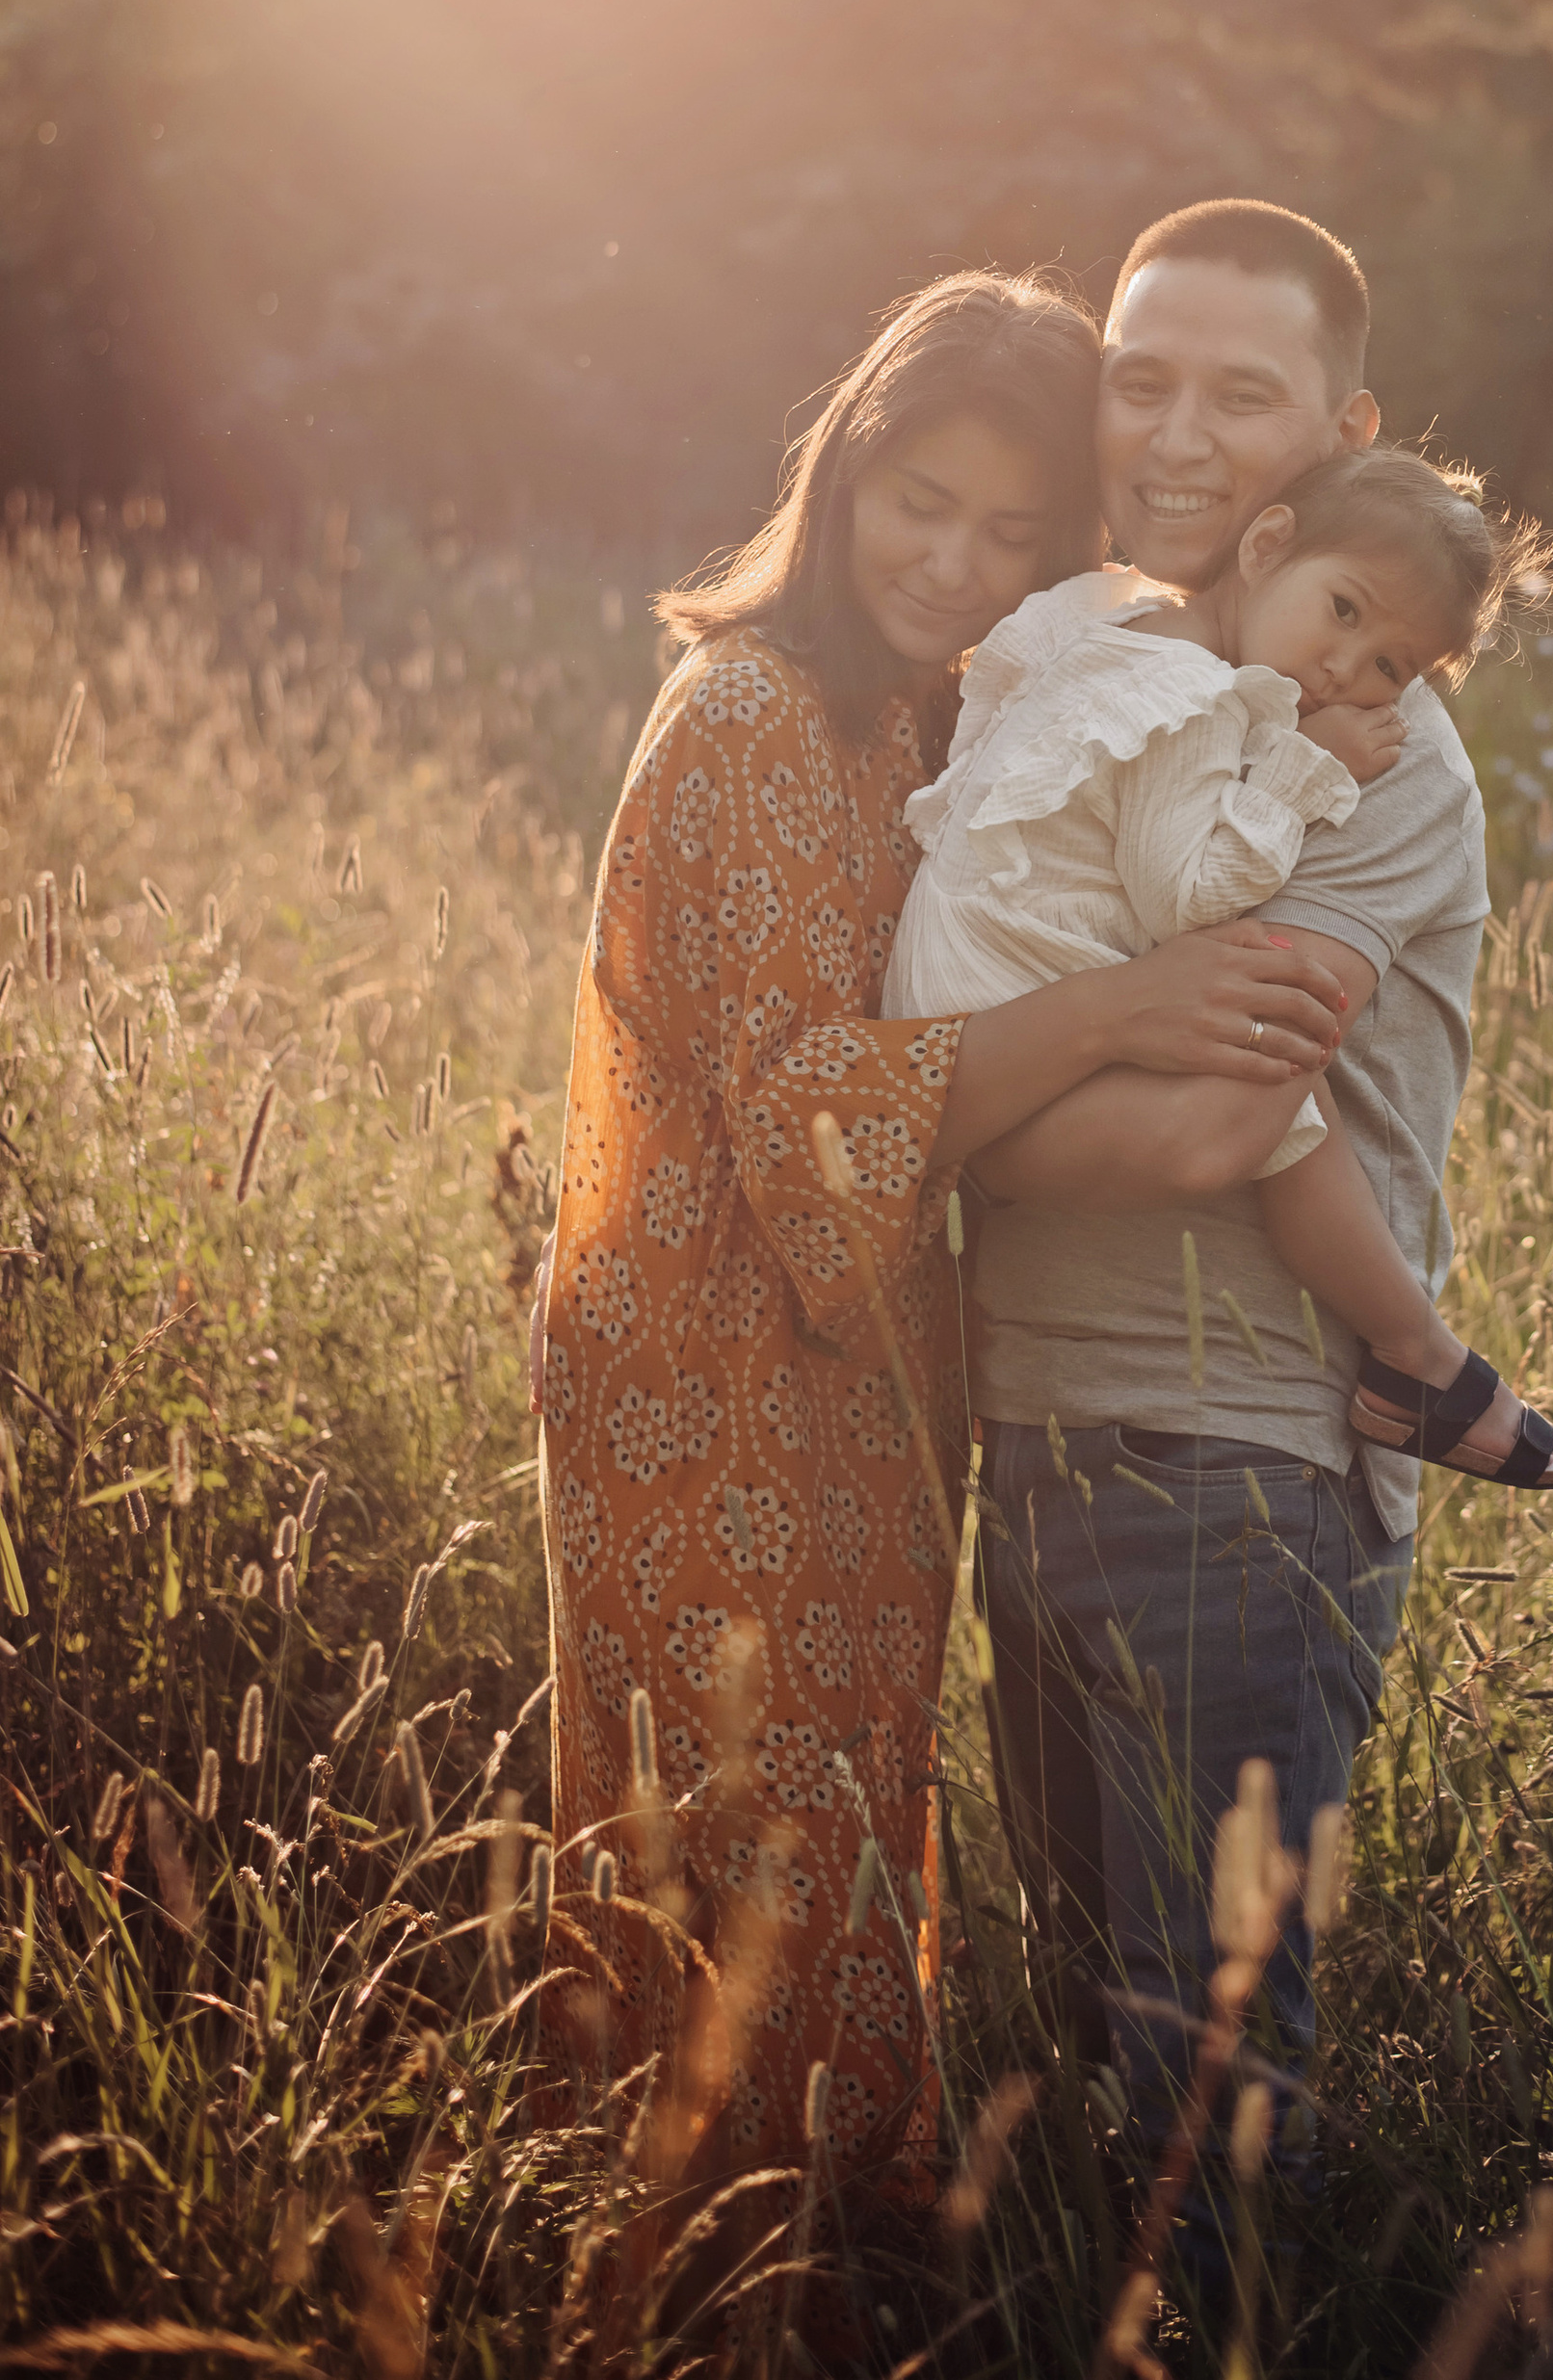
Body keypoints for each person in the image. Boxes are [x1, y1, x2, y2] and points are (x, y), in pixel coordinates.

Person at [532, 271, 1352, 2240]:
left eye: (1012, 536)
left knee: (838, 1813)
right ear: (843, 471)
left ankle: (825, 2243)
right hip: (707, 1371)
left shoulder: (918, 707)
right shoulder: (746, 712)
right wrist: (1123, 1010)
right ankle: (717, 2262)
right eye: (920, 502)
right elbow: (808, 1112)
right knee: (732, 1834)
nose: (955, 562)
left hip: (856, 1359)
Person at [956, 201, 1511, 2304]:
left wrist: (928, 1089)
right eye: (1138, 375)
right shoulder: (1104, 685)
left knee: (1200, 2088)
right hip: (1036, 1429)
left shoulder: (1362, 752)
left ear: (1334, 431)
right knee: (1085, 2036)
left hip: (1239, 1471)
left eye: (1239, 393)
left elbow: (1209, 1124)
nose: (1175, 435)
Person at [888, 440, 1553, 1486]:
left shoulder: (1113, 618)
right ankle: (1417, 1358)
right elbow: (1185, 895)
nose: (1349, 670)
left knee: (1260, 1079)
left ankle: (1422, 1359)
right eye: (1344, 610)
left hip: (955, 965)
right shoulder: (1197, 695)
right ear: (1266, 545)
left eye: (1392, 665)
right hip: (1005, 975)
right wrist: (1305, 772)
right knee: (1279, 1089)